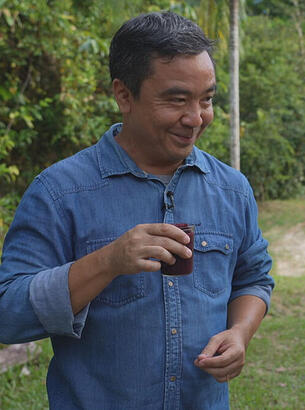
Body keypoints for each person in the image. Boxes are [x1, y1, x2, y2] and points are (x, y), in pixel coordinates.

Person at [0, 11, 274, 409]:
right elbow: (8, 313)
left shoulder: (231, 189)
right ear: (124, 95)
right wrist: (108, 261)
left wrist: (240, 332)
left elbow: (254, 277)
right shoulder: (59, 192)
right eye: (177, 100)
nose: (196, 118)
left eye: (207, 100)